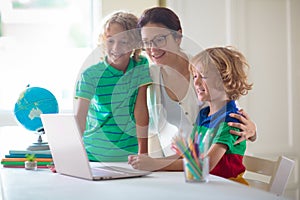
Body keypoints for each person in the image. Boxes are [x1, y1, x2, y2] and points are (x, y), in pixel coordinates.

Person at [128, 7, 256, 171]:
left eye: (159, 39)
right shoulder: (149, 76)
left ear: (178, 36)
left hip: (210, 175)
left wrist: (252, 131)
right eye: (146, 42)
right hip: (176, 171)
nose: (152, 49)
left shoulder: (205, 68)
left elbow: (231, 112)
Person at [74, 11, 152, 162]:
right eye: (110, 41)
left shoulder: (141, 65)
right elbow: (80, 119)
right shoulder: (90, 75)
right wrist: (69, 157)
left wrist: (143, 155)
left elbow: (141, 110)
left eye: (124, 42)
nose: (116, 48)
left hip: (128, 157)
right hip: (93, 157)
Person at [187, 46, 252, 184]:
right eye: (195, 76)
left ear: (225, 79)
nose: (196, 82)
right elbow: (190, 155)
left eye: (203, 76)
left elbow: (204, 166)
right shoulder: (203, 114)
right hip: (207, 185)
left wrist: (155, 166)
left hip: (229, 189)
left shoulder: (231, 120)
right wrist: (155, 163)